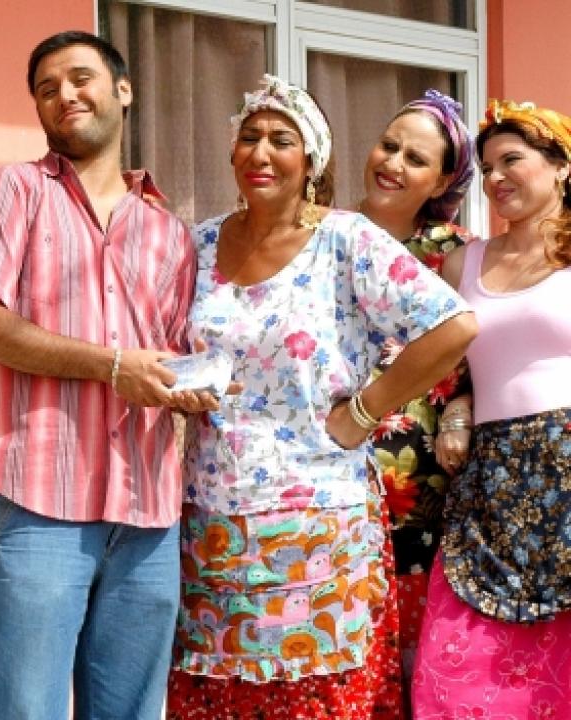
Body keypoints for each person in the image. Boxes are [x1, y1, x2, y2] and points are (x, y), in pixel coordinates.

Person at [165, 74, 476, 719]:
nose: (261, 152)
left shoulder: (346, 239)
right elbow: (175, 347)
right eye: (249, 137)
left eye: (282, 140)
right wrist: (181, 388)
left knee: (320, 701)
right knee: (221, 699)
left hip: (321, 519)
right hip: (213, 519)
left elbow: (453, 327)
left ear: (310, 162)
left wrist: (364, 410)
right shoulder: (198, 243)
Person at [0, 30, 216, 720]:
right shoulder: (12, 192)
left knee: (133, 711)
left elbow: (171, 358)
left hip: (148, 511)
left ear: (123, 91)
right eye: (46, 89)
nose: (64, 95)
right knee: (28, 708)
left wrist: (194, 386)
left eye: (79, 78)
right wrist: (112, 365)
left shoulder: (169, 233)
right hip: (42, 499)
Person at [412, 99, 571, 718]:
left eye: (512, 160)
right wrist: (460, 408)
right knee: (460, 666)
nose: (497, 177)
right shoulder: (463, 262)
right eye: (487, 168)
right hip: (490, 481)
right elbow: (440, 363)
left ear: (561, 166)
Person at [354, 89, 476, 705]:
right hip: (331, 482)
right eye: (389, 145)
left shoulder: (460, 256)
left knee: (414, 671)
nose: (393, 163)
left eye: (416, 158)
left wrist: (462, 407)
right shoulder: (325, 233)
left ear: (443, 181)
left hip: (423, 495)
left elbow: (489, 359)